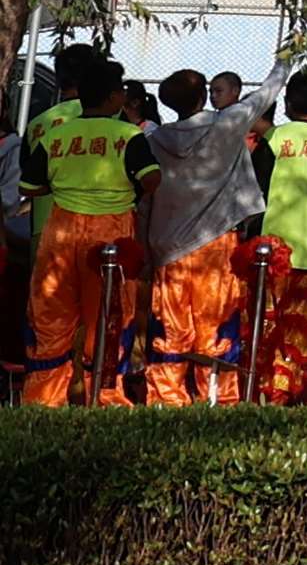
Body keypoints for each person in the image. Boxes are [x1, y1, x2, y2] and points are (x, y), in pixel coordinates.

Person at [18, 52, 145, 407]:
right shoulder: (119, 125)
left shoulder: (41, 123)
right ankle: (101, 395)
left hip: (50, 231)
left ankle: (43, 398)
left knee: (49, 315)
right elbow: (148, 178)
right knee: (106, 313)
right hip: (107, 232)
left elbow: (28, 182)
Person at [132, 68, 260, 405]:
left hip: (169, 248)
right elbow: (267, 94)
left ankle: (166, 398)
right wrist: (285, 60)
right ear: (204, 96)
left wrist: (145, 247)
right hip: (217, 246)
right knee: (215, 326)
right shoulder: (226, 128)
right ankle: (218, 398)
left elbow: (146, 199)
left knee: (170, 328)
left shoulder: (154, 141)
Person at [250, 66, 307, 403]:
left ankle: (262, 384)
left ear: (288, 100)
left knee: (267, 317)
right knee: (300, 321)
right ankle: (287, 387)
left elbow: (257, 189)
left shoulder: (277, 138)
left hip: (274, 247)